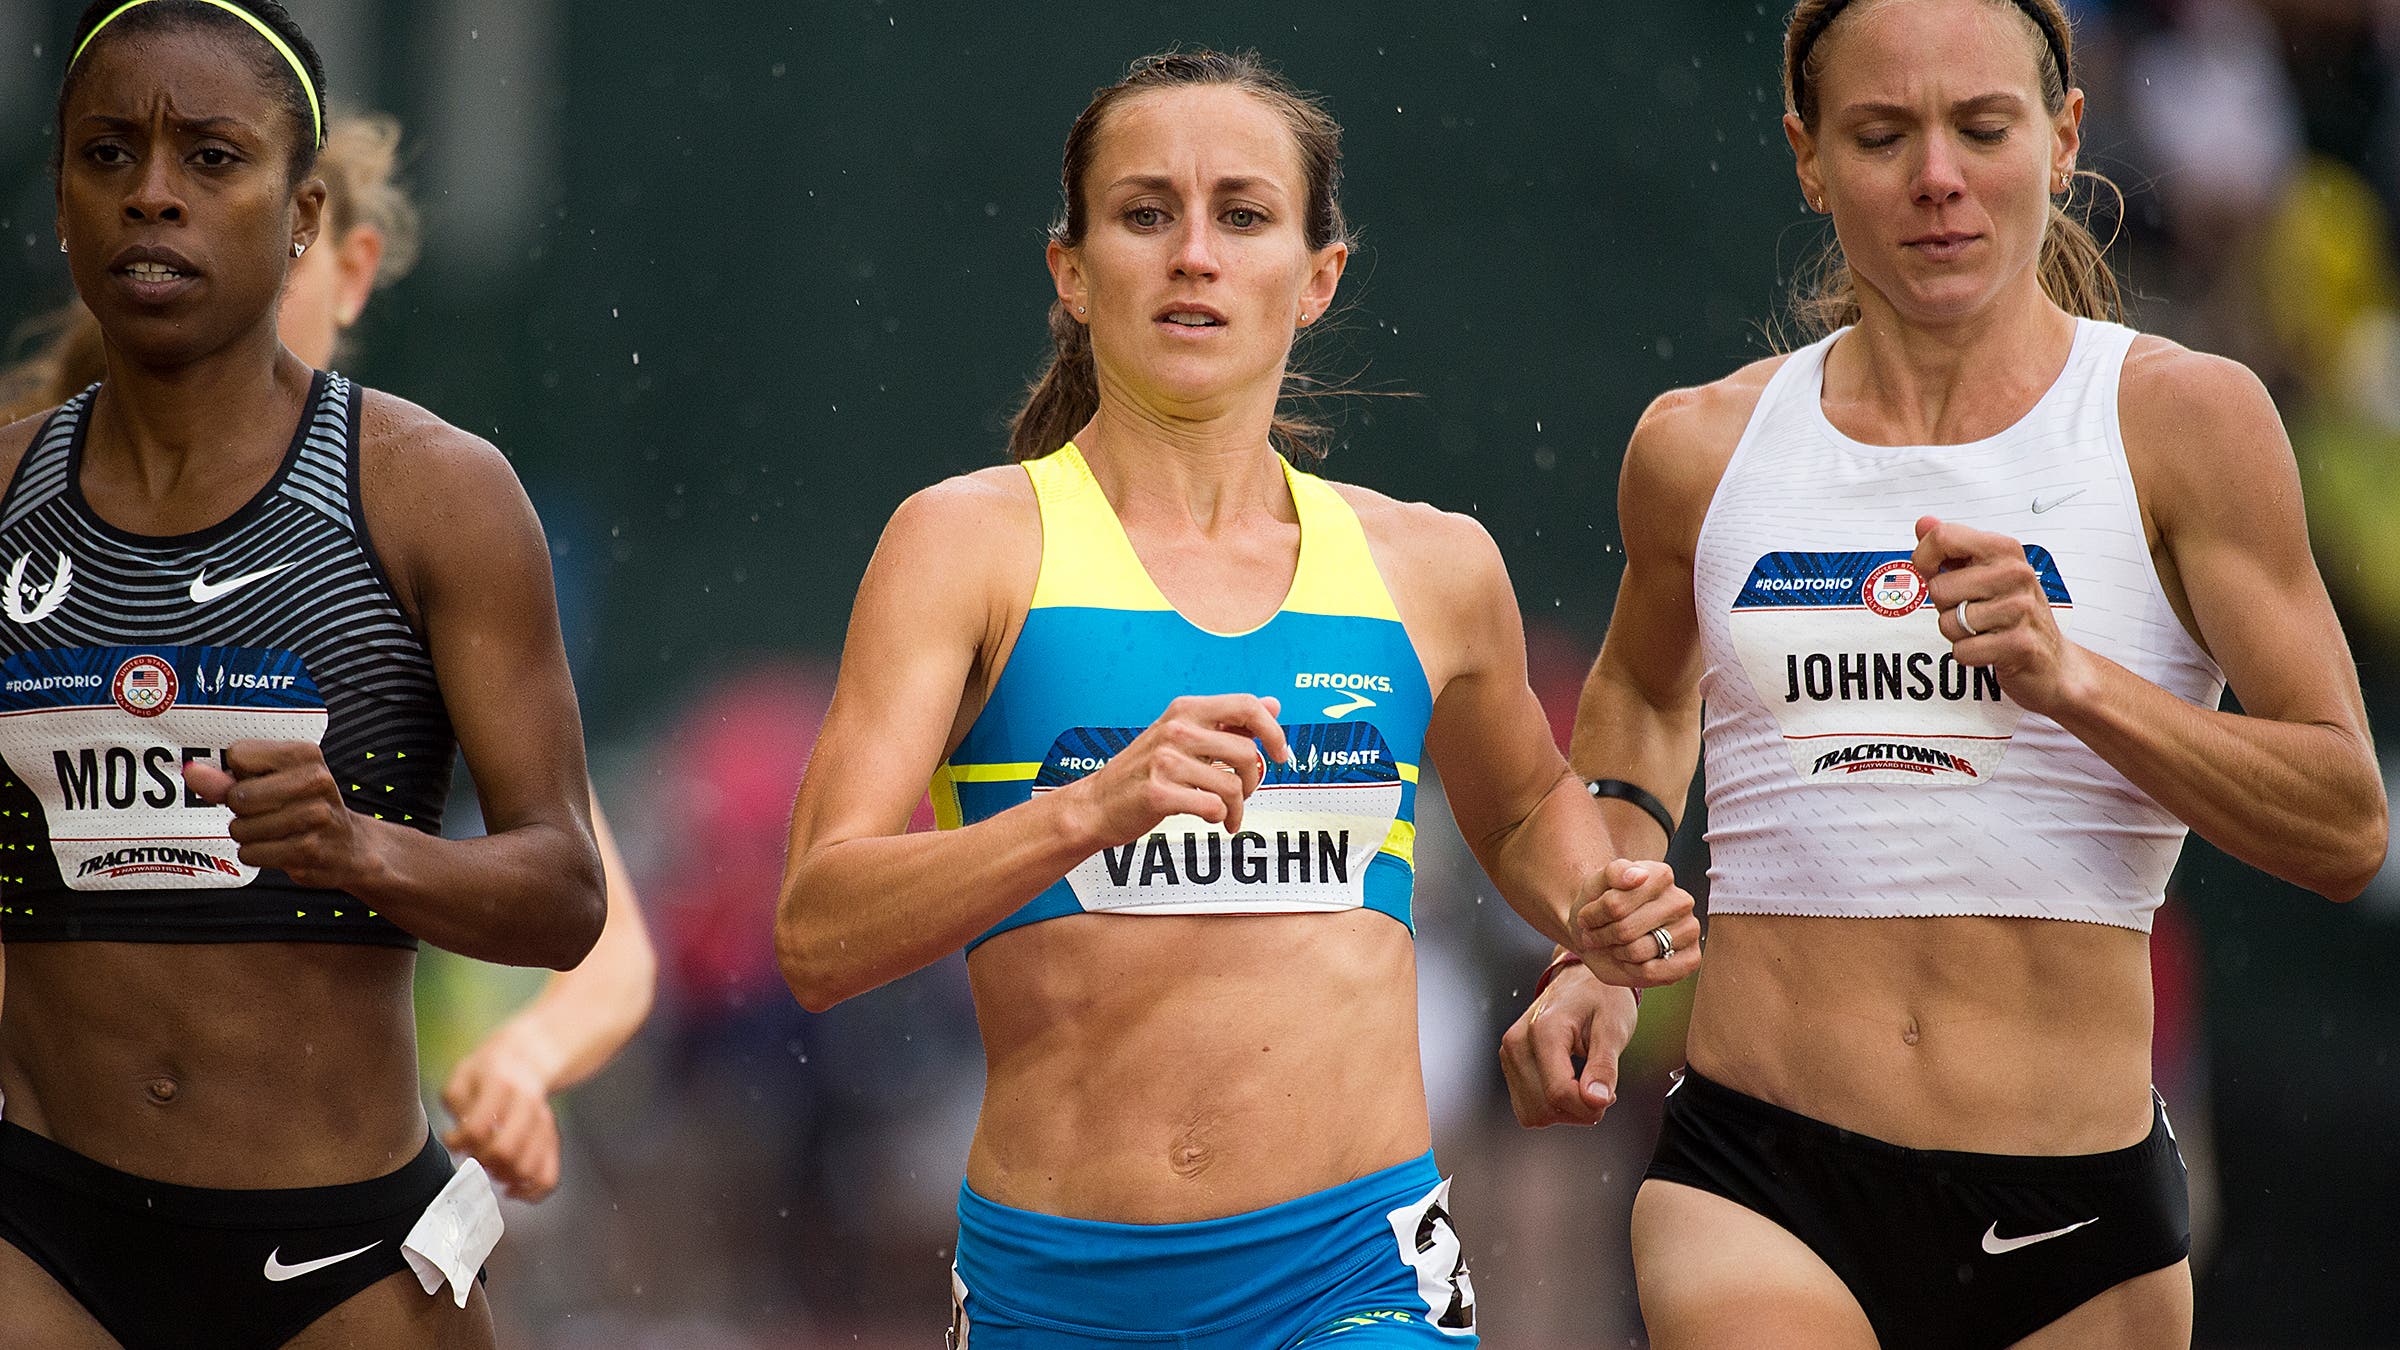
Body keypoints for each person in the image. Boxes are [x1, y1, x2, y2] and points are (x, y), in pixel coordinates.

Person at [775, 48, 1700, 1349]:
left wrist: (1590, 916)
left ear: (1319, 275)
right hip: (1057, 1288)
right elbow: (819, 932)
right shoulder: (968, 547)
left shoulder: (1430, 566)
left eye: (1244, 215)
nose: (1194, 254)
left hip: (1351, 1272)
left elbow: (1529, 802)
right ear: (1073, 269)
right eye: (1147, 213)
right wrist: (1083, 812)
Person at [1498, 2, 2387, 1347]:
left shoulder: (2182, 423)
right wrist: (1604, 940)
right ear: (1805, 156)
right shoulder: (1701, 446)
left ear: (2066, 135)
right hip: (1760, 1176)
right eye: (1879, 134)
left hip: (2075, 1210)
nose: (1937, 179)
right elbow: (1640, 693)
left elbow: (2343, 816)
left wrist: (2074, 677)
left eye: (1982, 128)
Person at [0, 3, 606, 1347]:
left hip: (337, 1251)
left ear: (301, 213)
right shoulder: (3, 493)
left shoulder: (434, 494)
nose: (151, 194)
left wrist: (355, 849)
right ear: (60, 202)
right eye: (108, 156)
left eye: (211, 159)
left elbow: (566, 892)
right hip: (35, 1228)